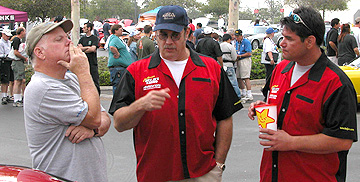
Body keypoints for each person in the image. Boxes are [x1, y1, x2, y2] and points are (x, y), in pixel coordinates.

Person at [108, 5, 243, 182]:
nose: (168, 41)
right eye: (163, 35)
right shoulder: (137, 71)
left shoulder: (211, 69)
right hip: (154, 174)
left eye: (175, 35)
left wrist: (219, 164)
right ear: (155, 34)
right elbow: (119, 124)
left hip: (203, 173)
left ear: (187, 33)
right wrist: (140, 105)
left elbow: (225, 117)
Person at [248, 7, 357, 182]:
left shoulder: (336, 82)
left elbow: (343, 141)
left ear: (310, 41)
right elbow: (281, 106)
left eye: (289, 39)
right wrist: (263, 107)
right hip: (272, 175)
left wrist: (291, 142)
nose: (281, 43)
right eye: (282, 37)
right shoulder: (280, 69)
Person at [24, 20, 110, 182]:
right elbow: (96, 118)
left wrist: (92, 131)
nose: (69, 42)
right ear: (40, 52)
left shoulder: (72, 78)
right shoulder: (43, 87)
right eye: (59, 39)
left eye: (67, 37)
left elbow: (104, 120)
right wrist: (84, 71)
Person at [108, 24, 133, 94]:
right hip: (118, 68)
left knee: (121, 87)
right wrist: (117, 53)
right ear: (115, 31)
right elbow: (112, 47)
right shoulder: (114, 39)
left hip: (121, 68)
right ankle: (117, 103)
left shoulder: (117, 38)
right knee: (118, 87)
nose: (122, 31)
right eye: (120, 30)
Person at [78, 22, 101, 94]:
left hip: (92, 63)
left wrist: (84, 48)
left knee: (94, 81)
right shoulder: (82, 39)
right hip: (83, 63)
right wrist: (88, 47)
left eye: (85, 27)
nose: (83, 29)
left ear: (89, 28)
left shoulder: (94, 38)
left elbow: (93, 49)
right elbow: (79, 48)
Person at [8, 27, 27, 107]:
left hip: (19, 62)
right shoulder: (16, 40)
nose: (25, 33)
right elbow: (16, 52)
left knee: (19, 80)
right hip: (17, 62)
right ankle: (16, 100)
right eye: (24, 31)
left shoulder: (18, 40)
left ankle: (18, 98)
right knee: (17, 81)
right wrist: (24, 58)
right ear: (21, 32)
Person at [220, 33, 241, 98]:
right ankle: (237, 96)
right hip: (229, 65)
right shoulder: (230, 46)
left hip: (221, 65)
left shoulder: (219, 45)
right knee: (233, 82)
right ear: (229, 39)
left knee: (222, 83)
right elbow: (234, 57)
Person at [234, 29, 253, 100]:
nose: (236, 38)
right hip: (238, 60)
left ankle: (249, 93)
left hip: (244, 60)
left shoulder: (246, 42)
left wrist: (240, 56)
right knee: (238, 77)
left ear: (241, 36)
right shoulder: (236, 42)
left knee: (246, 77)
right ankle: (243, 91)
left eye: (238, 36)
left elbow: (249, 53)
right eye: (236, 36)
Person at [0, 29, 14, 105]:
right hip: (3, 61)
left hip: (9, 60)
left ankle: (7, 95)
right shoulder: (0, 43)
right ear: (3, 34)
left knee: (9, 78)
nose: (7, 37)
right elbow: (2, 54)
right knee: (4, 79)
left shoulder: (9, 43)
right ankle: (4, 96)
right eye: (6, 35)